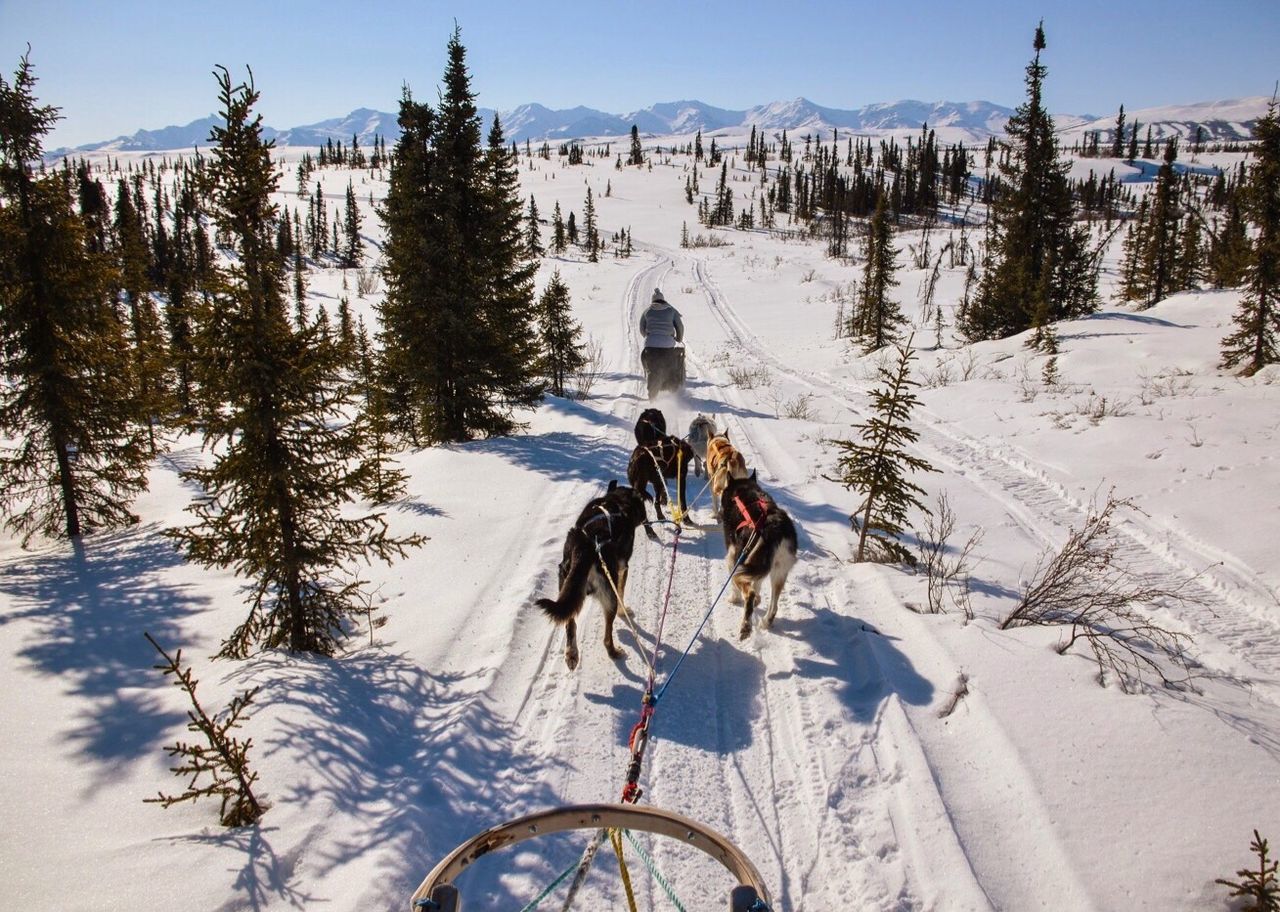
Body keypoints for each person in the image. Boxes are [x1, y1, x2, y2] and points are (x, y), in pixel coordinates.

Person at [640, 288, 685, 397]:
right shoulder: (671, 311)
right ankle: (672, 394)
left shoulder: (647, 311)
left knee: (651, 369)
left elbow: (642, 329)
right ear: (663, 300)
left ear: (653, 301)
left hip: (651, 347)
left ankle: (652, 395)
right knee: (670, 369)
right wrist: (678, 339)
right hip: (668, 346)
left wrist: (649, 337)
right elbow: (680, 326)